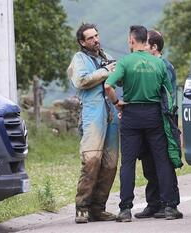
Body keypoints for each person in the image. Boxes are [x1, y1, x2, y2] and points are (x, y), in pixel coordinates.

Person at [105, 25, 183, 222]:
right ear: (144, 41)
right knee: (162, 160)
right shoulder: (159, 64)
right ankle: (170, 207)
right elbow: (167, 93)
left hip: (131, 115)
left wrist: (117, 103)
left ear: (132, 41)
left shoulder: (125, 62)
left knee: (128, 163)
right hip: (155, 115)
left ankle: (125, 210)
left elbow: (108, 86)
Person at [67, 23, 119, 224]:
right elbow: (81, 81)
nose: (96, 40)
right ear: (82, 42)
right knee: (91, 161)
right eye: (90, 38)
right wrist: (107, 71)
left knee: (110, 163)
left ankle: (98, 208)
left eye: (96, 36)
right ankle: (82, 207)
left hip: (111, 114)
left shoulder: (105, 56)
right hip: (92, 114)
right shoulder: (79, 59)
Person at [134, 29, 180, 219]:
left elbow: (166, 96)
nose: (141, 47)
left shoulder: (164, 66)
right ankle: (153, 204)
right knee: (149, 164)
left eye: (144, 44)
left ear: (154, 47)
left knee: (164, 162)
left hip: (162, 119)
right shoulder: (145, 65)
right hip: (147, 119)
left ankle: (170, 204)